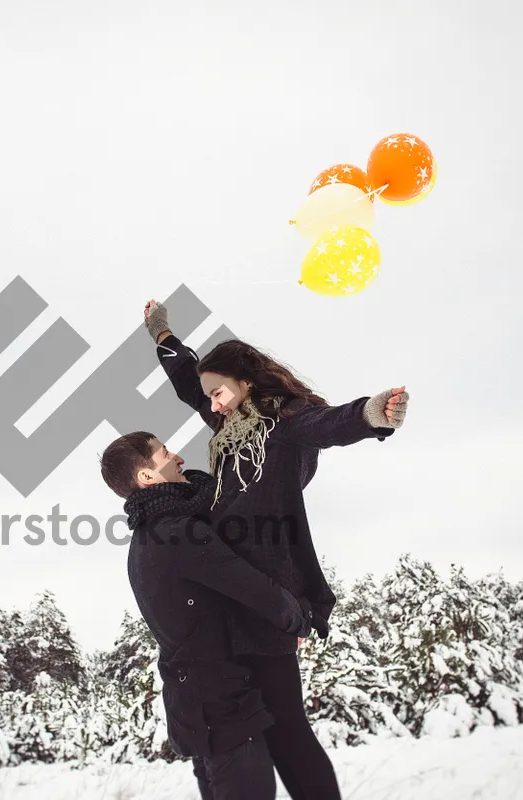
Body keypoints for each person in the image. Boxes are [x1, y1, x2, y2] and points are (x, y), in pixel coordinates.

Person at [142, 298, 409, 800]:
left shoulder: (284, 424)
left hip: (265, 595)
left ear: (245, 381)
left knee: (287, 730)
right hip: (231, 592)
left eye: (219, 392)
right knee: (251, 730)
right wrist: (163, 337)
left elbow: (331, 424)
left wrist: (375, 414)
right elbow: (186, 383)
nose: (213, 405)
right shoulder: (229, 422)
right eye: (211, 398)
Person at [100, 431, 315, 800]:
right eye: (165, 454)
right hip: (223, 709)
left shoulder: (146, 539)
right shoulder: (178, 534)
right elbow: (256, 590)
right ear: (147, 478)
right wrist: (298, 618)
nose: (179, 458)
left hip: (200, 709)